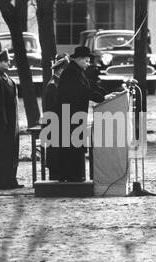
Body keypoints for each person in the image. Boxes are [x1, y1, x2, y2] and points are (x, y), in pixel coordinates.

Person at [57, 46, 114, 182]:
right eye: (87, 61)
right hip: (70, 115)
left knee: (75, 145)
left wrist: (106, 94)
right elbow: (84, 91)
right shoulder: (72, 72)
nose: (88, 64)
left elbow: (91, 86)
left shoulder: (78, 71)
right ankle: (72, 176)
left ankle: (75, 175)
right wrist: (102, 98)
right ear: (79, 59)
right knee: (72, 145)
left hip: (74, 114)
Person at [0, 50, 24, 190]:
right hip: (2, 122)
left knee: (10, 151)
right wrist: (3, 123)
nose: (9, 62)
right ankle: (2, 181)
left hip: (11, 121)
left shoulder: (4, 76)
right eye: (6, 61)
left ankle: (10, 179)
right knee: (1, 152)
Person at [43, 53, 70, 180]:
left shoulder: (59, 83)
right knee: (55, 157)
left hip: (60, 126)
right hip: (55, 127)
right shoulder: (53, 85)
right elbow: (52, 110)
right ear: (60, 70)